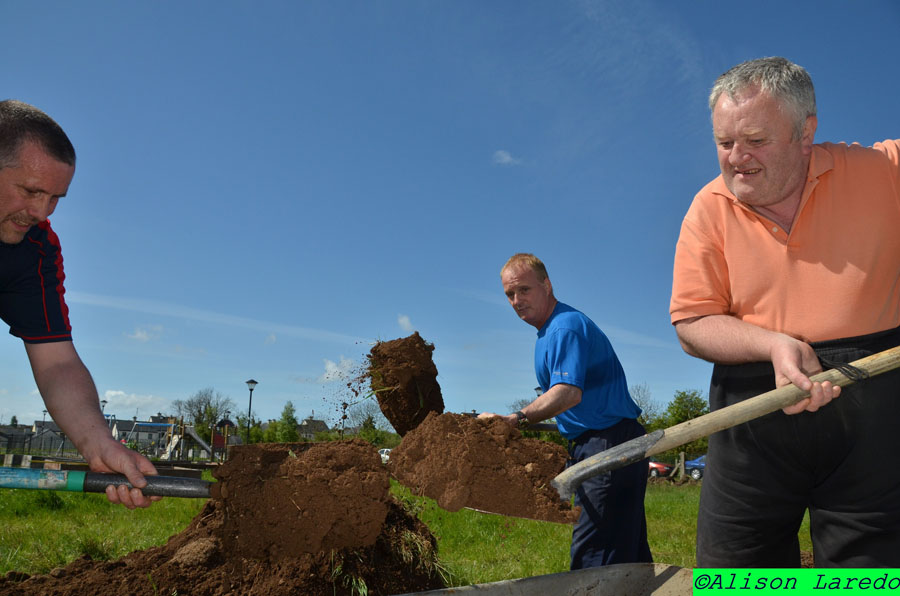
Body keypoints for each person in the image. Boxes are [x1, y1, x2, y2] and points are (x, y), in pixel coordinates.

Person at [670, 57, 900, 567]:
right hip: (751, 406)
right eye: (724, 143)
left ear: (805, 131)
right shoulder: (708, 207)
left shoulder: (886, 171)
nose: (736, 159)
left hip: (877, 403)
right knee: (735, 574)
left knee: (873, 576)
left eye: (755, 140)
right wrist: (772, 343)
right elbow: (691, 322)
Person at [0, 99, 159, 509]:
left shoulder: (36, 249)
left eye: (56, 198)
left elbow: (57, 362)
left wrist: (100, 444)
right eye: (31, 191)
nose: (40, 212)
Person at [480, 253, 652, 569]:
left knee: (593, 555)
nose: (517, 300)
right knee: (627, 552)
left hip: (608, 444)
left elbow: (568, 394)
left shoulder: (563, 327)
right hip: (606, 441)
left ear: (546, 285)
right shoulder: (549, 331)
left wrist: (515, 419)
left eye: (524, 290)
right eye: (509, 294)